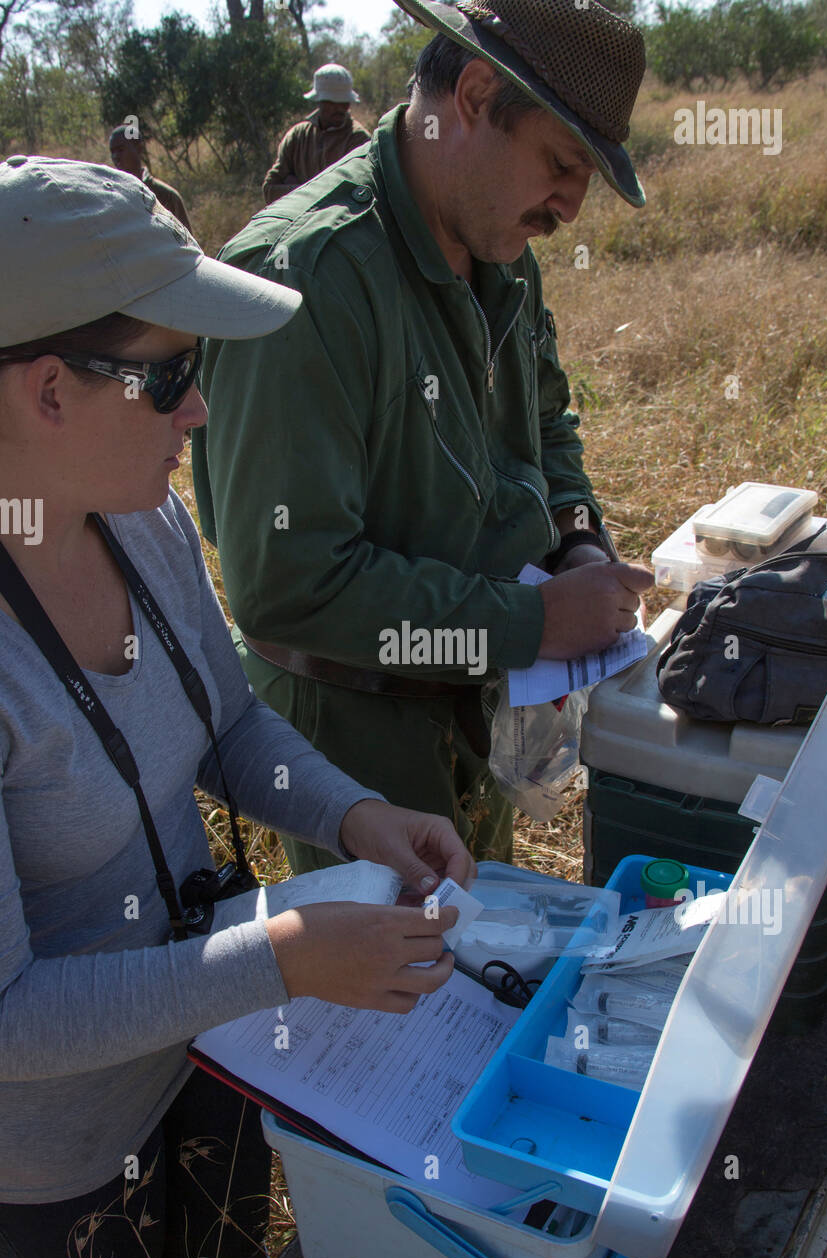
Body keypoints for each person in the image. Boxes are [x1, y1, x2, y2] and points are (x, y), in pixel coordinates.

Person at [0, 153, 467, 1258]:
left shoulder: (139, 518)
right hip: (60, 1159)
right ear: (48, 390)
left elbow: (228, 724)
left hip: (216, 1055)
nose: (200, 410)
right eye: (170, 377)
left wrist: (356, 818)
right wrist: (283, 958)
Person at [192, 0, 655, 878]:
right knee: (405, 1000)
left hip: (481, 705)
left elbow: (547, 423)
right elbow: (289, 584)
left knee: (488, 966)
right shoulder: (309, 279)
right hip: (358, 744)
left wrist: (579, 540)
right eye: (560, 163)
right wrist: (528, 623)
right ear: (476, 95)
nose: (569, 207)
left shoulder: (501, 244)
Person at [262, 63, 370, 204]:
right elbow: (270, 190)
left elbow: (361, 197)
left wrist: (296, 188)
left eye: (344, 102)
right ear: (319, 101)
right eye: (332, 102)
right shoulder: (298, 136)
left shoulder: (359, 140)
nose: (339, 108)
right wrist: (324, 191)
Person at [109, 124, 193, 233]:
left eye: (120, 150)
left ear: (139, 148)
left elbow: (187, 244)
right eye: (112, 152)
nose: (116, 156)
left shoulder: (167, 197)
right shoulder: (111, 196)